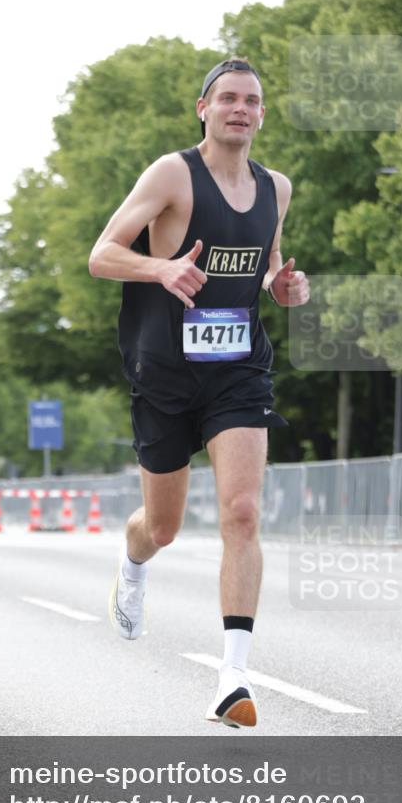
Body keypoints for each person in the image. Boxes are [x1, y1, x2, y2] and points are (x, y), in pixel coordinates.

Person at [89, 57, 310, 728]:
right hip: (164, 372)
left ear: (262, 114)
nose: (240, 109)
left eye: (252, 100)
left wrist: (281, 287)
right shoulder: (172, 174)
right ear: (203, 109)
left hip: (238, 370)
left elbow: (267, 266)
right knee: (162, 528)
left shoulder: (276, 188)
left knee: (242, 511)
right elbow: (102, 255)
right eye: (228, 98)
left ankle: (232, 678)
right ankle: (133, 564)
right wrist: (159, 268)